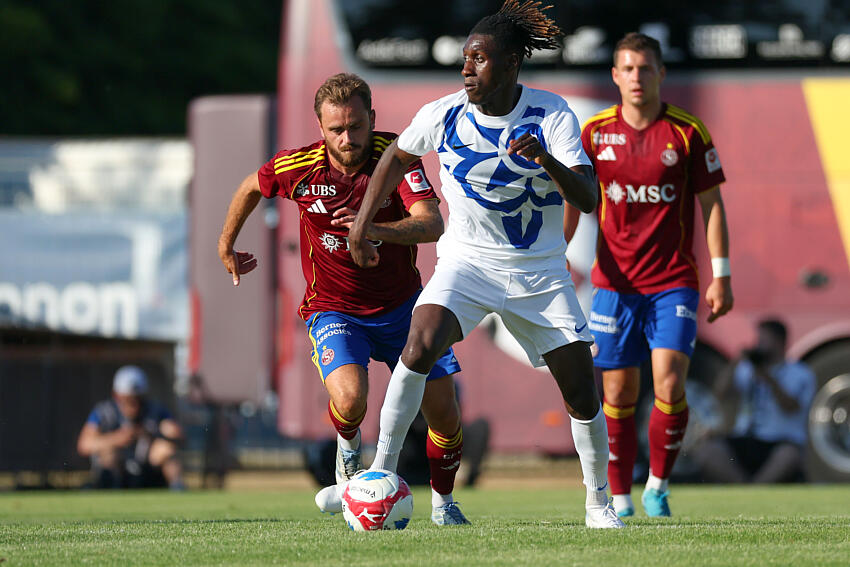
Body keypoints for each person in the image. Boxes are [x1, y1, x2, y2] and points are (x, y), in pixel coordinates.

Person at [331, 0, 623, 529]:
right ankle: (381, 472)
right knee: (418, 344)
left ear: (511, 64)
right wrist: (360, 225)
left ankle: (598, 504)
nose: (467, 68)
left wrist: (546, 159)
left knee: (582, 391)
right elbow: (396, 158)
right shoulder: (442, 112)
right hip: (467, 265)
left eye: (479, 59)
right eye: (465, 58)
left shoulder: (551, 112)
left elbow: (586, 198)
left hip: (539, 273)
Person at [217, 73, 469, 525]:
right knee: (351, 400)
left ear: (372, 118)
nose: (348, 138)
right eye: (337, 129)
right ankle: (348, 458)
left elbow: (431, 224)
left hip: (404, 309)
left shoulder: (397, 157)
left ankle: (445, 505)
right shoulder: (298, 167)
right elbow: (251, 186)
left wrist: (369, 228)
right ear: (320, 127)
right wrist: (226, 243)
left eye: (356, 125)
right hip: (334, 309)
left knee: (445, 417)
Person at [568, 32, 734, 518]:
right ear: (615, 76)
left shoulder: (687, 131)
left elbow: (713, 207)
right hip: (613, 286)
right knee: (617, 392)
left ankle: (658, 485)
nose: (637, 77)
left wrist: (721, 275)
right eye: (628, 68)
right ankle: (619, 496)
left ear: (661, 74)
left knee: (669, 384)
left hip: (673, 282)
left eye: (646, 68)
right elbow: (574, 197)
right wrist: (558, 253)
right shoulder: (595, 132)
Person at [694, 319, 815, 483]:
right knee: (708, 450)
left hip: (778, 441)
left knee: (788, 456)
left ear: (781, 342)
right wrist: (736, 362)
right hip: (745, 438)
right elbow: (720, 393)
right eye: (759, 340)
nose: (760, 345)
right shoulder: (746, 369)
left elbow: (790, 407)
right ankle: (742, 488)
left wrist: (768, 379)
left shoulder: (800, 373)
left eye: (765, 341)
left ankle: (757, 489)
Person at [77, 365, 185, 489]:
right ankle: (111, 489)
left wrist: (153, 435)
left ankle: (177, 487)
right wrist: (116, 439)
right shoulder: (103, 412)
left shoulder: (156, 411)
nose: (133, 405)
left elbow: (179, 436)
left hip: (148, 469)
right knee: (109, 452)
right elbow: (84, 444)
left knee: (165, 448)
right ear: (116, 396)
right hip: (117, 469)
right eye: (127, 399)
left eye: (137, 399)